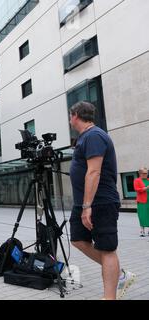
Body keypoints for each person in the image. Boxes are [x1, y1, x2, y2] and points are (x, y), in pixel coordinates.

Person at [68, 101, 135, 300]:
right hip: (84, 203)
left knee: (106, 249)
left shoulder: (94, 135)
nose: (70, 119)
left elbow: (94, 171)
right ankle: (120, 273)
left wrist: (87, 206)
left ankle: (109, 297)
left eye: (70, 115)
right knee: (78, 239)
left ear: (76, 115)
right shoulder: (84, 138)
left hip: (100, 203)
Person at [134, 167, 149, 237]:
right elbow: (137, 189)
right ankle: (142, 231)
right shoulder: (137, 180)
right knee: (142, 216)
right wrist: (146, 188)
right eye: (144, 173)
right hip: (142, 201)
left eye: (147, 173)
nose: (146, 174)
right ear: (140, 173)